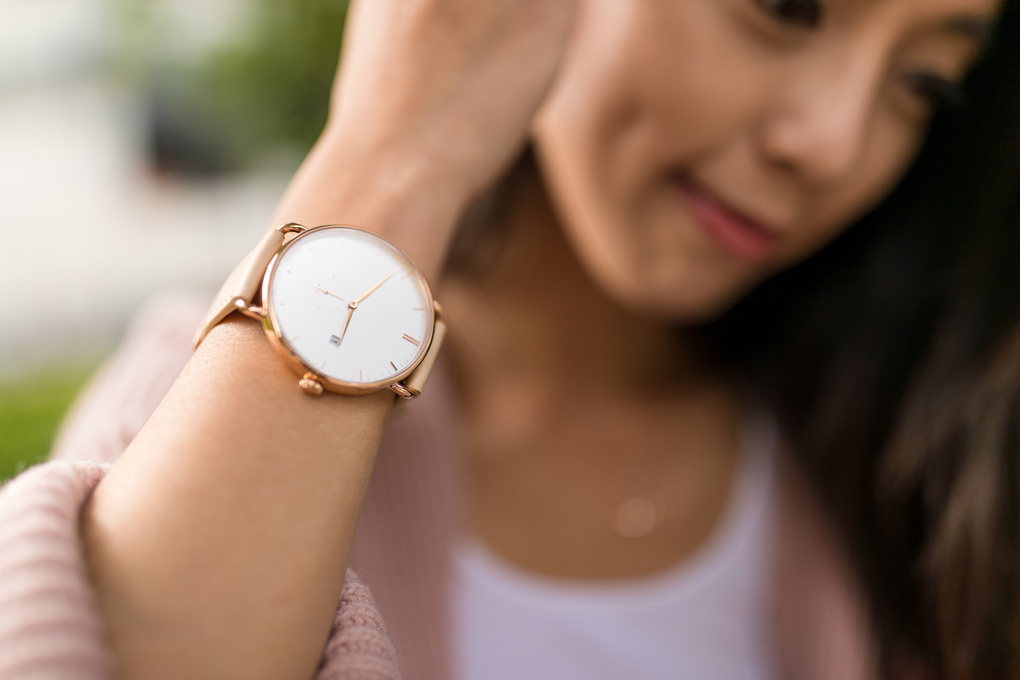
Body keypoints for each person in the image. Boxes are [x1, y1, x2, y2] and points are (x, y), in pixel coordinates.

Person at [0, 0, 1018, 678]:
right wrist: (394, 150)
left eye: (924, 84)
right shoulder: (196, 416)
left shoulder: (926, 466)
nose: (832, 141)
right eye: (787, 6)